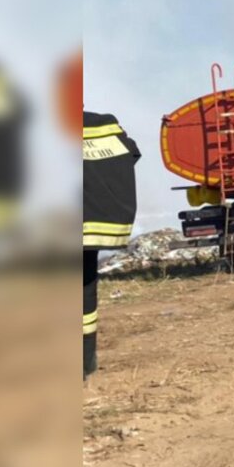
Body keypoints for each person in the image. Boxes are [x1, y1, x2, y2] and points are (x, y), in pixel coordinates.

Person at [84, 110, 140, 378]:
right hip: (94, 228)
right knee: (84, 297)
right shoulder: (105, 124)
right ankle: (84, 362)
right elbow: (132, 153)